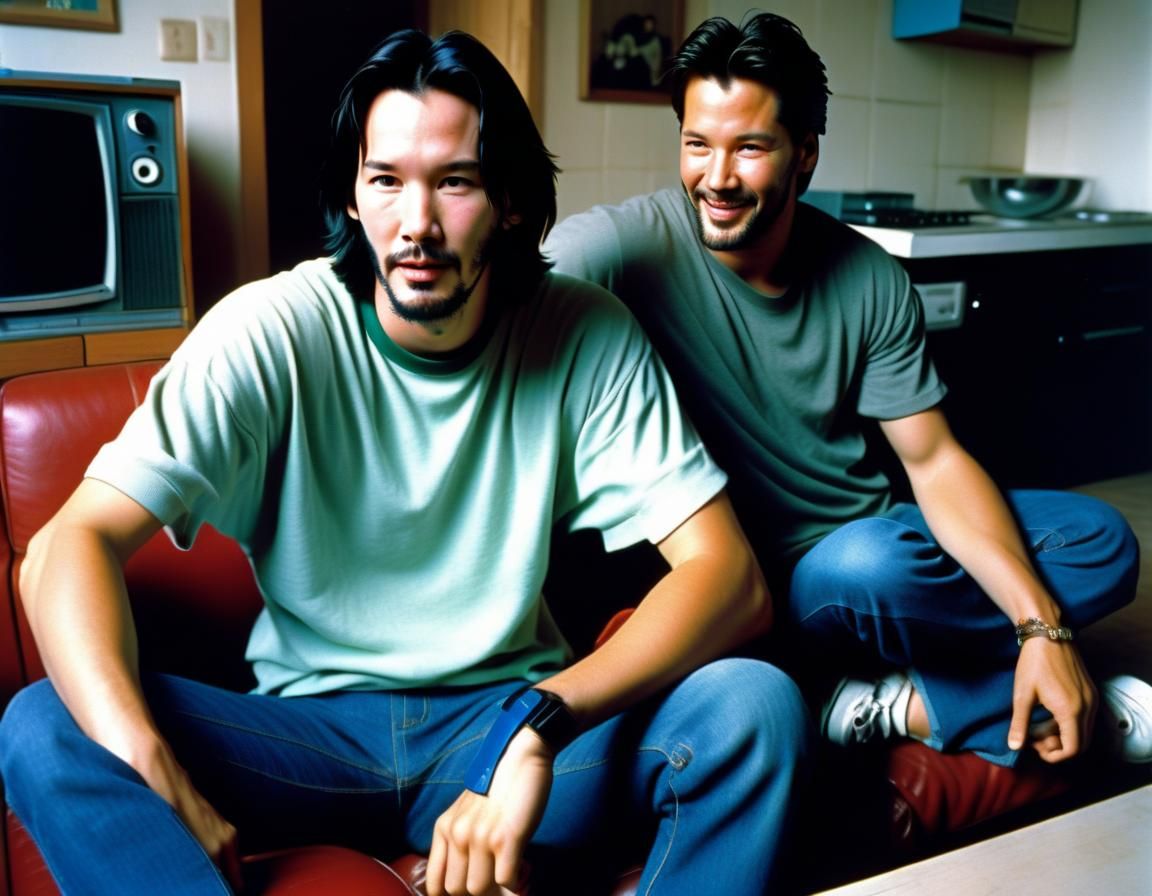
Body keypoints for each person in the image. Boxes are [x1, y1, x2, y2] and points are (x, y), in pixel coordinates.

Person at [0, 28, 810, 896]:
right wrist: (146, 760)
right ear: (352, 196)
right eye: (386, 180)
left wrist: (534, 728)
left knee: (753, 708)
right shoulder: (273, 328)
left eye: (454, 182)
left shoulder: (581, 330)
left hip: (499, 726)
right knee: (44, 721)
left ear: (507, 199)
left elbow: (731, 577)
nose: (416, 225)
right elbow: (65, 546)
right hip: (306, 740)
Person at [544, 12, 1150, 771]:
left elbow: (933, 462)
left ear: (805, 156)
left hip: (868, 547)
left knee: (1102, 541)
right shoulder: (617, 252)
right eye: (697, 145)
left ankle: (861, 692)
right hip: (757, 582)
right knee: (867, 567)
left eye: (750, 148)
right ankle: (930, 690)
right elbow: (506, 304)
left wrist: (1043, 628)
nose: (717, 177)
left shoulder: (869, 276)